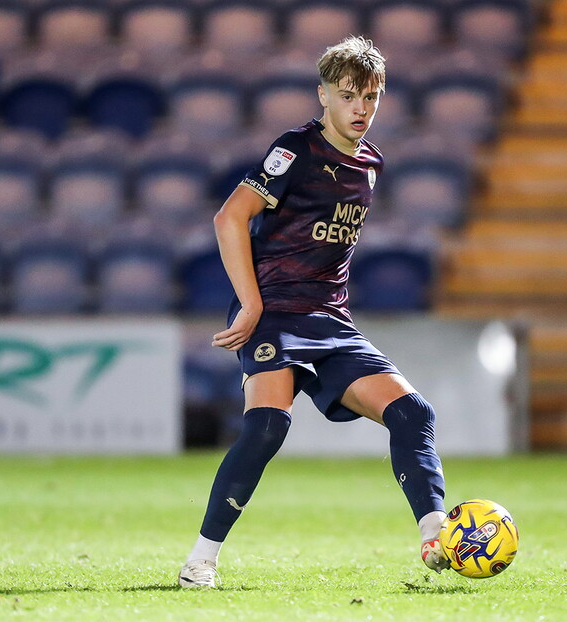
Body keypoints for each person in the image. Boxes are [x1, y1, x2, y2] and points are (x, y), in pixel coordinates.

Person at [179, 36, 448, 589]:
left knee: (413, 414)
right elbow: (230, 218)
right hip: (274, 310)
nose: (360, 109)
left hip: (330, 319)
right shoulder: (295, 150)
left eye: (370, 97)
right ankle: (200, 561)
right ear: (322, 94)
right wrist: (251, 303)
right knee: (267, 426)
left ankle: (435, 534)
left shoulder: (371, 164)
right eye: (348, 96)